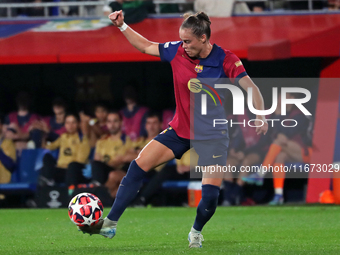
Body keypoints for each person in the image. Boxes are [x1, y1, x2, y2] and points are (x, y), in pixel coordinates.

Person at [79, 10, 268, 248]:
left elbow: (251, 87)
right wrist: (122, 26)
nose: (183, 45)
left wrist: (260, 114)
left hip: (212, 136)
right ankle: (110, 223)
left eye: (188, 41)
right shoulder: (177, 51)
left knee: (210, 196)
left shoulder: (226, 59)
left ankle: (196, 231)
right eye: (182, 40)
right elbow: (146, 46)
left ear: (203, 38)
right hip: (180, 130)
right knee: (138, 166)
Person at [243, 93, 312, 205]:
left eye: (282, 97)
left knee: (279, 141)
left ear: (292, 99)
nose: (279, 100)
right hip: (291, 152)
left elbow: (285, 135)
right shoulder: (282, 114)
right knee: (279, 157)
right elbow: (272, 135)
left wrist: (279, 116)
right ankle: (279, 195)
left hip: (310, 153)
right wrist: (278, 116)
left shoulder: (299, 114)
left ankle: (260, 174)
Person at [38, 113, 91, 195]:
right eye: (68, 123)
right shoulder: (63, 137)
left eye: (73, 122)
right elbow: (49, 147)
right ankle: (42, 193)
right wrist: (45, 135)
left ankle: (70, 195)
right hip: (62, 170)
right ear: (65, 124)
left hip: (75, 171)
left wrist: (67, 165)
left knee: (72, 166)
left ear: (78, 124)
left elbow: (81, 160)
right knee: (47, 157)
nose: (70, 125)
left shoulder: (82, 138)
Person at [91, 111, 134, 198]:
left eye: (115, 121)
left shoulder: (128, 140)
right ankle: (97, 190)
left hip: (120, 171)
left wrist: (122, 159)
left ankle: (96, 193)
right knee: (95, 164)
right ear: (106, 123)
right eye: (109, 121)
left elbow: (132, 157)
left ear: (121, 123)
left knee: (113, 174)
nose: (112, 124)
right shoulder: (102, 140)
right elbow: (97, 160)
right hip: (104, 171)